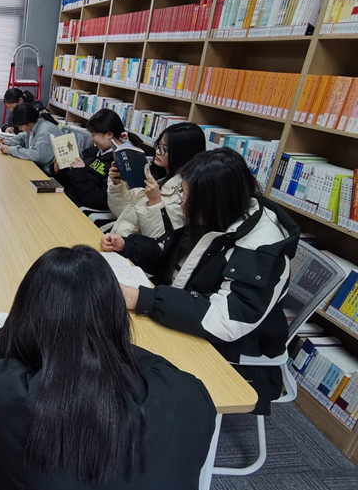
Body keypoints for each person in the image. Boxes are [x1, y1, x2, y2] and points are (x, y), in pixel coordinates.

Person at [0, 245, 216, 490]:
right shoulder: (190, 394)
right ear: (117, 315)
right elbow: (154, 364)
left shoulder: (9, 394)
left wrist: (27, 326)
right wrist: (99, 337)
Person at [102, 148, 300, 414]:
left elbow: (225, 321)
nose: (182, 205)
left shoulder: (261, 250)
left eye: (188, 199)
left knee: (116, 363)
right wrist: (129, 246)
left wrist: (144, 298)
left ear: (215, 202)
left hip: (229, 352)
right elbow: (173, 258)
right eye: (183, 195)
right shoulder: (216, 217)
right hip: (186, 316)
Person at [107, 122, 206, 238]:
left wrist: (155, 202)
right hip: (118, 236)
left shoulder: (182, 195)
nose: (158, 152)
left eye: (165, 149)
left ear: (182, 154)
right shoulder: (153, 173)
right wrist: (117, 185)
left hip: (131, 244)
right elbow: (121, 211)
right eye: (159, 146)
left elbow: (159, 240)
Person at [53, 109, 135, 211]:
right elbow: (71, 183)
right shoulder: (92, 152)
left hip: (81, 209)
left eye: (94, 135)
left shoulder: (118, 163)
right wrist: (61, 170)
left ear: (109, 135)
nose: (92, 139)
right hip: (68, 199)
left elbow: (98, 200)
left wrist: (79, 172)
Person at [0, 103, 62, 174]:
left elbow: (37, 156)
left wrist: (11, 150)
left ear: (28, 123)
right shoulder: (33, 126)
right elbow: (21, 138)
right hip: (39, 168)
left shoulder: (45, 131)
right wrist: (7, 142)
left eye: (20, 126)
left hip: (49, 173)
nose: (19, 129)